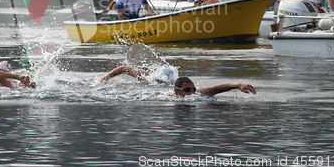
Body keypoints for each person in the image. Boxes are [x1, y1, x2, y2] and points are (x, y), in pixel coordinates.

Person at [99, 65, 256, 97]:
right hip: (160, 80)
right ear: (177, 91)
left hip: (173, 79)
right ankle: (105, 75)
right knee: (147, 78)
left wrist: (238, 85)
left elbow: (216, 89)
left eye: (193, 90)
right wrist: (105, 79)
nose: (192, 93)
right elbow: (126, 68)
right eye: (187, 91)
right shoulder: (167, 95)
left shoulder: (196, 92)